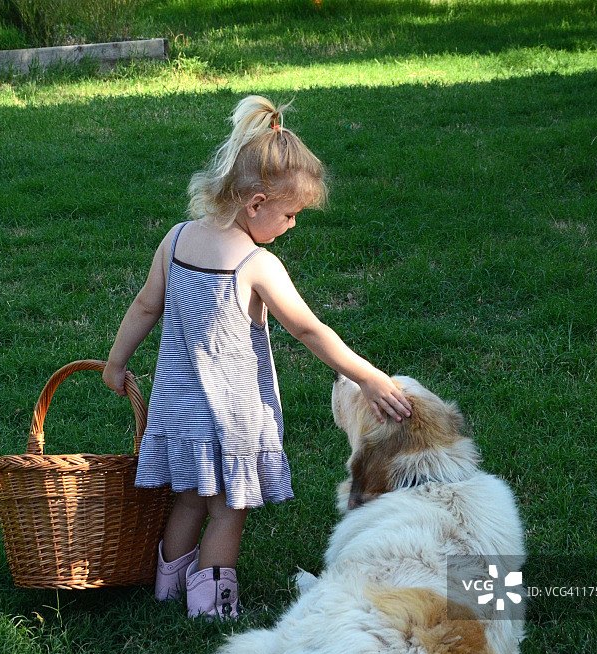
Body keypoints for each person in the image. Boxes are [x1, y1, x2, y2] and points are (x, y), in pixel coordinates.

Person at [103, 95, 412, 619]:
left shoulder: (175, 241)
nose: (291, 225)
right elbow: (309, 330)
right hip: (228, 419)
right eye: (288, 215)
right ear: (255, 203)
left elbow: (144, 306)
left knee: (188, 500)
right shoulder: (255, 263)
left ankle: (166, 590)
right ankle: (212, 609)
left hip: (175, 411)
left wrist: (116, 363)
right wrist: (367, 377)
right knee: (229, 510)